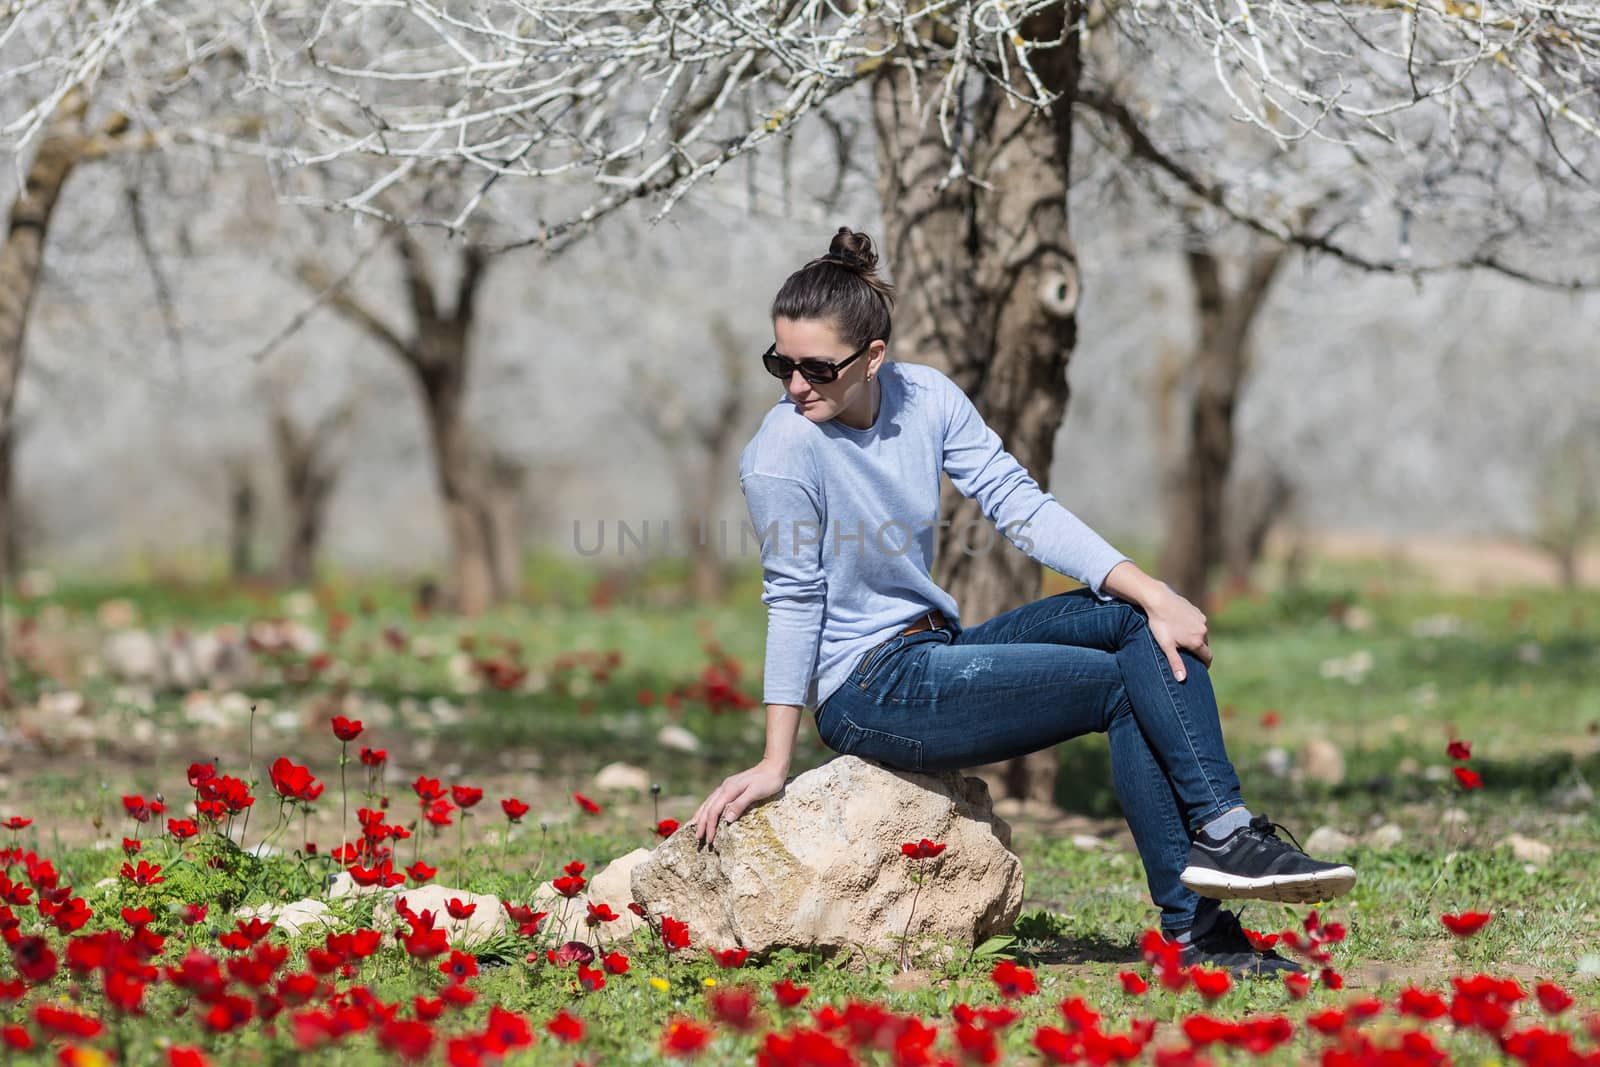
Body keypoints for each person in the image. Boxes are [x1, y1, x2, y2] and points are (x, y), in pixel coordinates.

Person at [689, 227, 1355, 976]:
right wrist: (775, 757)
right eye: (780, 362)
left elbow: (1020, 505)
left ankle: (1227, 830)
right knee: (1123, 687)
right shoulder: (781, 452)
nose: (795, 383)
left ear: (874, 356)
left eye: (816, 366)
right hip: (866, 691)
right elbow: (793, 597)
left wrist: (1154, 588)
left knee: (1140, 621)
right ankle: (1195, 930)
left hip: (933, 651)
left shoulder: (926, 396)